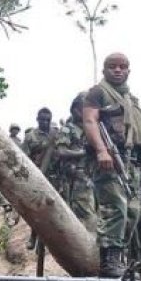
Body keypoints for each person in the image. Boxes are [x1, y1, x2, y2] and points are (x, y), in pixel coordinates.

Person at [82, 52, 141, 278]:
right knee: (116, 209)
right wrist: (101, 150)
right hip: (110, 163)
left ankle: (138, 277)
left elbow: (136, 137)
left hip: (132, 167)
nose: (118, 70)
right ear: (104, 70)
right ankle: (110, 264)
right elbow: (90, 121)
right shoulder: (98, 93)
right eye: (112, 66)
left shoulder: (130, 99)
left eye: (122, 67)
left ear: (129, 71)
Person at [54, 93, 97, 234]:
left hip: (93, 175)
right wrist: (83, 152)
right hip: (76, 177)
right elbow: (61, 151)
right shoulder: (69, 129)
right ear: (75, 110)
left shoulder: (93, 128)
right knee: (84, 212)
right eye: (83, 108)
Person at [22, 108, 59, 249]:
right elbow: (23, 159)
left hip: (55, 177)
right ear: (37, 119)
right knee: (37, 210)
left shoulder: (56, 134)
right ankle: (33, 236)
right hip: (37, 177)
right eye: (42, 119)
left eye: (48, 120)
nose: (45, 122)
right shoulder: (30, 137)